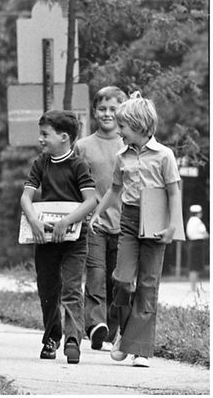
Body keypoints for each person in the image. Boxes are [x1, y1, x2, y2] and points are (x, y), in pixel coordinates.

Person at [89, 92, 183, 368]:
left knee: (148, 285)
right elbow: (115, 189)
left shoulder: (165, 156)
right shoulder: (122, 156)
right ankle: (126, 334)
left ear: (140, 126)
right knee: (122, 280)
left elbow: (174, 192)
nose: (119, 133)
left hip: (156, 219)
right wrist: (98, 212)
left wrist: (173, 225)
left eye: (123, 128)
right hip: (128, 221)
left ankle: (140, 349)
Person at [20, 110, 97, 364]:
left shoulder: (78, 165)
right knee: (48, 289)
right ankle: (52, 336)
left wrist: (68, 220)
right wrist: (33, 220)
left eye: (45, 134)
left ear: (64, 137)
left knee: (72, 288)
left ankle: (72, 339)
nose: (40, 139)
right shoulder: (40, 163)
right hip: (46, 238)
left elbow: (91, 200)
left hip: (74, 238)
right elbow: (26, 196)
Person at [73, 86, 127, 351]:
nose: (107, 114)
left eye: (113, 109)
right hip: (93, 223)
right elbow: (74, 183)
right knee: (95, 275)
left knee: (118, 280)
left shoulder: (129, 144)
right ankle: (95, 325)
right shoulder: (82, 146)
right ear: (94, 112)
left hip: (126, 223)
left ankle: (110, 330)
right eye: (102, 109)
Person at [185, 204, 209, 295]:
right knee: (195, 266)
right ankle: (194, 288)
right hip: (198, 244)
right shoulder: (198, 221)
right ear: (198, 213)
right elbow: (205, 233)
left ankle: (193, 287)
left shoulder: (190, 220)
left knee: (193, 266)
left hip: (192, 243)